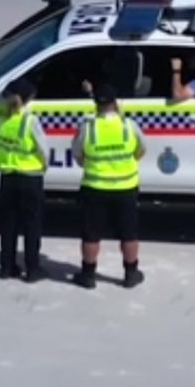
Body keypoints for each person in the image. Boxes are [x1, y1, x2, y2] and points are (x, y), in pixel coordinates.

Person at [69, 83, 147, 289]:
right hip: (126, 187)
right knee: (129, 233)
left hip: (95, 187)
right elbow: (141, 150)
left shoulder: (87, 127)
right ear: (115, 102)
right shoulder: (129, 126)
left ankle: (88, 275)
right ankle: (131, 273)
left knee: (91, 234)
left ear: (96, 104)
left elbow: (77, 154)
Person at [0, 78, 50, 282]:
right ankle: (32, 269)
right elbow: (43, 149)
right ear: (28, 99)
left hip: (8, 176)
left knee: (8, 224)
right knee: (31, 226)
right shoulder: (29, 121)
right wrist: (43, 167)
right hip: (30, 177)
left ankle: (6, 267)